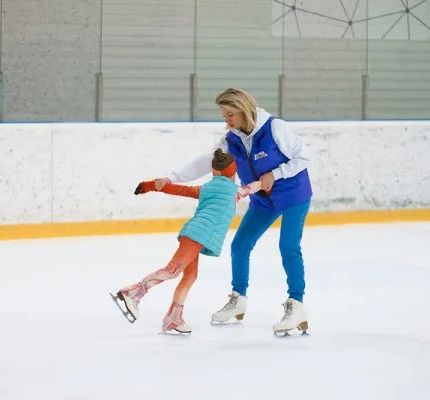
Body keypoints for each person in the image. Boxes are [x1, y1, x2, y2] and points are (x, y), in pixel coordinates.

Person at [155, 88, 312, 335]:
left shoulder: (274, 128)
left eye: (230, 114)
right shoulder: (231, 139)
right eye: (224, 115)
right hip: (262, 198)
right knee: (240, 245)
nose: (226, 120)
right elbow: (207, 161)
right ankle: (238, 300)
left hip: (293, 194)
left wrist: (275, 173)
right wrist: (172, 178)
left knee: (288, 246)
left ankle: (296, 306)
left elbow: (303, 157)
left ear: (244, 110)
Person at [113, 149, 261, 334]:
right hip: (198, 235)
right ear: (233, 173)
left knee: (190, 276)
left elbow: (177, 189)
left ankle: (173, 319)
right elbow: (254, 187)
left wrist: (148, 185)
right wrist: (267, 182)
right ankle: (133, 293)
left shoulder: (206, 188)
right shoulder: (235, 191)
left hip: (194, 233)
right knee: (172, 271)